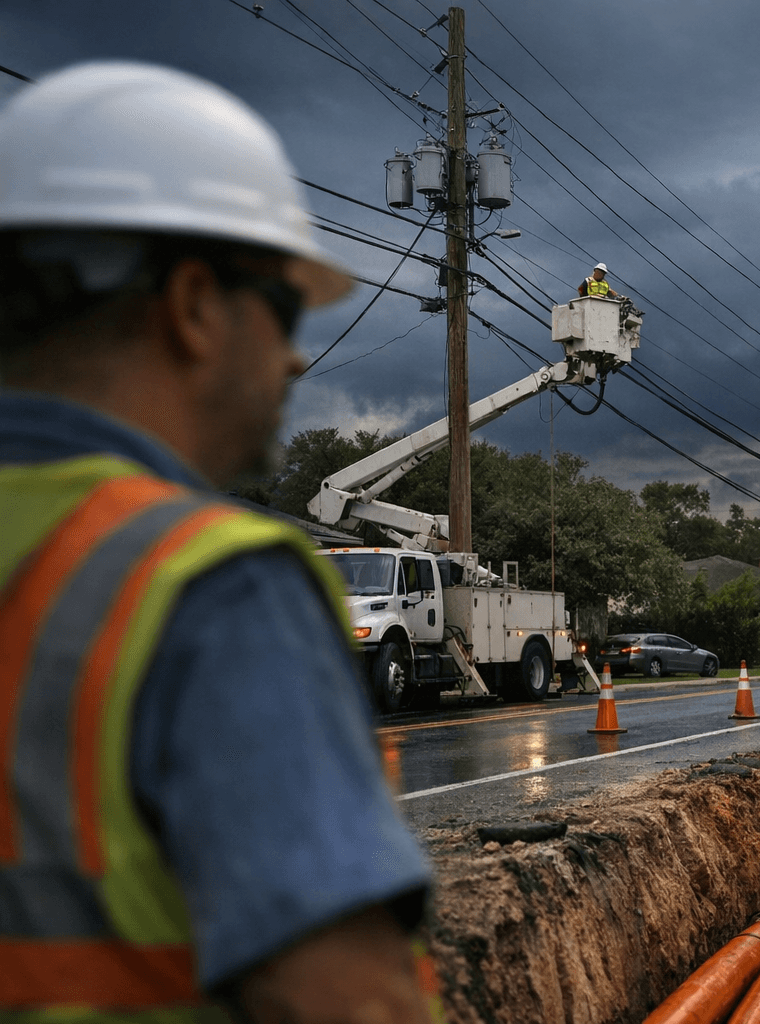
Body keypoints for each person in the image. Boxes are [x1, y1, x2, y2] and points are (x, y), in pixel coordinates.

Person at [0, 63, 436, 1023]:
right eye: (284, 307)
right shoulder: (207, 581)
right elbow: (348, 1005)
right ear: (194, 302)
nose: (293, 356)